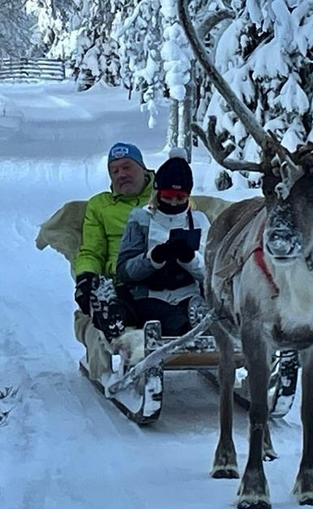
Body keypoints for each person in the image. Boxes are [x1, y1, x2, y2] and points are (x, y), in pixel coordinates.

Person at [72, 142, 154, 380]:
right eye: (114, 171)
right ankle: (114, 323)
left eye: (127, 167)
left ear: (143, 169)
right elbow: (91, 250)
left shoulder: (166, 196)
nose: (121, 175)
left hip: (165, 273)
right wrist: (86, 277)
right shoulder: (100, 206)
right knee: (116, 303)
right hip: (122, 280)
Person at [115, 155, 211, 339]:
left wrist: (190, 258)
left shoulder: (199, 221)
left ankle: (198, 325)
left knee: (200, 314)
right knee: (170, 321)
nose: (174, 202)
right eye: (168, 197)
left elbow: (210, 274)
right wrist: (153, 259)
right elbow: (124, 272)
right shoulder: (140, 219)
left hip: (189, 295)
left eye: (180, 197)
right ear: (157, 193)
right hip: (149, 296)